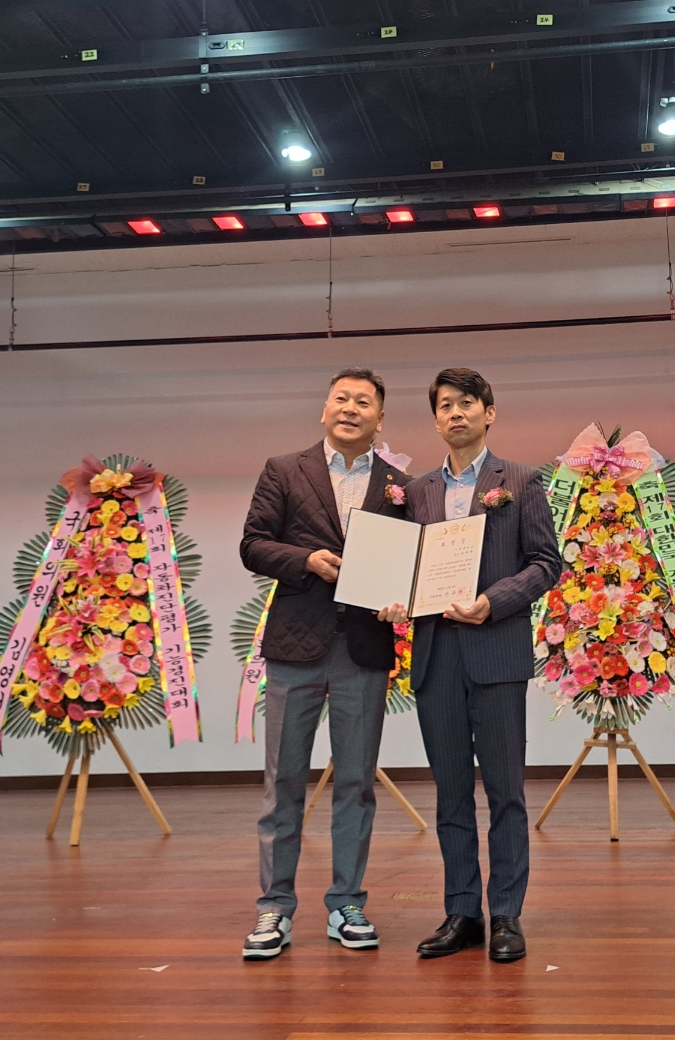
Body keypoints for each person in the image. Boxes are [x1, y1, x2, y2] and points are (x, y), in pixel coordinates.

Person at [380, 368, 561, 963]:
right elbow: (402, 567)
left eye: (466, 403)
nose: (455, 413)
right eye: (445, 406)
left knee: (506, 791)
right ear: (435, 420)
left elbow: (545, 563)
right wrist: (392, 597)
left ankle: (506, 912)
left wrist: (493, 601)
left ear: (489, 412)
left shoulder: (521, 481)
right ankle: (462, 912)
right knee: (451, 792)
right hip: (436, 656)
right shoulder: (416, 491)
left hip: (497, 651)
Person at [239, 367, 409, 960]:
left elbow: (408, 562)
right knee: (284, 782)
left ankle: (347, 903)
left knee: (356, 784)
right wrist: (306, 560)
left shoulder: (400, 485)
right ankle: (274, 909)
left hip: (364, 650)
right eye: (341, 398)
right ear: (324, 409)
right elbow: (253, 544)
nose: (351, 408)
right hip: (295, 648)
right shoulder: (284, 469)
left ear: (380, 419)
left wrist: (402, 598)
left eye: (364, 401)